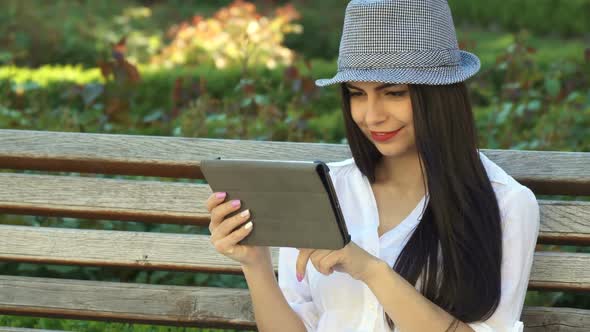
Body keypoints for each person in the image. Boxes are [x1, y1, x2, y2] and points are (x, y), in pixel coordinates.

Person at [205, 0, 540, 331]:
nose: (371, 115)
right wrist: (256, 264)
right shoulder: (326, 189)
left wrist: (371, 270)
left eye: (393, 92)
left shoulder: (505, 203)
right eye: (356, 93)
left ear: (439, 96)